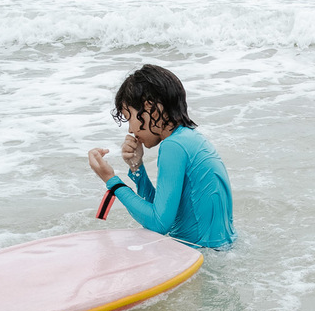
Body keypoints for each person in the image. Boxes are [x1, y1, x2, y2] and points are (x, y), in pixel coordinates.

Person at [88, 65, 235, 249]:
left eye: (129, 117)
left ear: (151, 107)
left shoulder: (172, 146)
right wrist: (137, 168)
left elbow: (158, 224)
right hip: (221, 251)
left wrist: (111, 181)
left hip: (197, 257)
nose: (130, 130)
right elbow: (162, 213)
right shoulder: (191, 138)